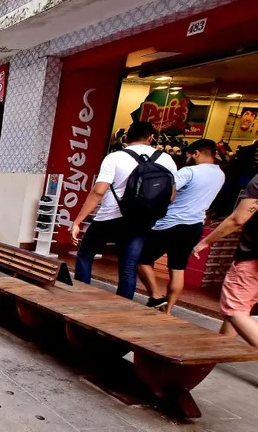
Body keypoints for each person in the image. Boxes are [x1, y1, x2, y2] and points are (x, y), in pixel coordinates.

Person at [70, 121, 178, 299]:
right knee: (129, 265)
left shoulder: (115, 157)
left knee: (85, 254)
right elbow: (171, 196)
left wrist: (78, 220)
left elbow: (98, 191)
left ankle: (81, 297)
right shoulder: (166, 159)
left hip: (110, 216)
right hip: (142, 220)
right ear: (151, 137)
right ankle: (123, 306)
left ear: (126, 138)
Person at [137, 139, 225, 313]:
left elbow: (166, 193)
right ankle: (167, 310)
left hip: (169, 224)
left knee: (141, 260)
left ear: (197, 153)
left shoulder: (189, 171)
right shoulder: (220, 174)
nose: (187, 158)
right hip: (194, 227)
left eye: (189, 155)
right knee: (177, 268)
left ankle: (155, 296)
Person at [193, 176, 258, 346]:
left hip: (252, 260)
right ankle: (222, 348)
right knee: (242, 308)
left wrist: (206, 242)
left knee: (234, 311)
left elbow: (238, 219)